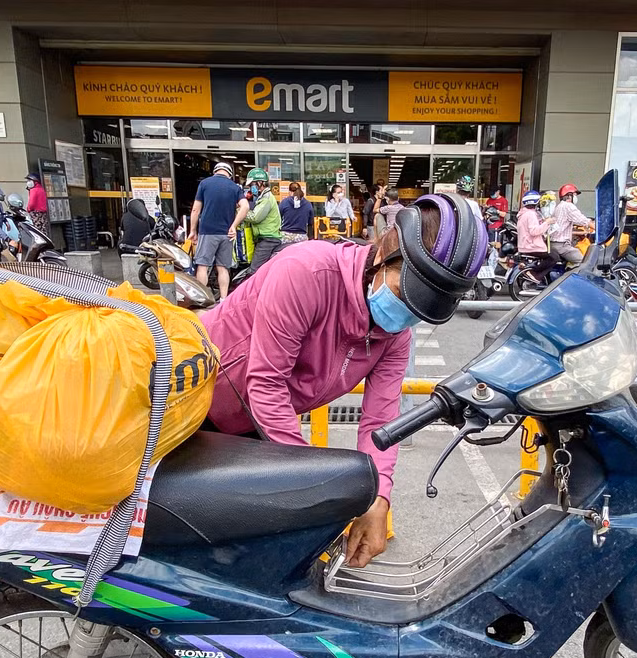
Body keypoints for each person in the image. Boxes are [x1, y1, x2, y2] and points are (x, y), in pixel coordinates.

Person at [199, 193, 486, 567]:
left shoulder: (394, 337)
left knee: (242, 556)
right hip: (189, 403)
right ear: (384, 250)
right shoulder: (308, 272)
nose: (403, 317)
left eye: (419, 311)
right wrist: (315, 489)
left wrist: (378, 498)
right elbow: (267, 384)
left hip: (249, 428)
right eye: (405, 294)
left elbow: (381, 423)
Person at [188, 161, 247, 299]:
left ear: (215, 171)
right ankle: (223, 300)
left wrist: (193, 230)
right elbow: (245, 207)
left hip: (207, 231)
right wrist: (234, 225)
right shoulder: (235, 187)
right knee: (223, 268)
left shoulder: (204, 184)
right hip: (227, 234)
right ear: (229, 174)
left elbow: (196, 210)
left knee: (202, 266)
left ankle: (201, 299)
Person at [244, 168, 283, 272]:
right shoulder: (262, 197)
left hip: (268, 240)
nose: (251, 187)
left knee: (254, 271)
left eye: (252, 184)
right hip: (264, 238)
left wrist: (241, 211)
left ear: (260, 183)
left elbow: (255, 217)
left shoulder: (266, 198)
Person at [548, 184, 593, 267]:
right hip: (561, 246)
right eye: (575, 195)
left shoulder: (559, 206)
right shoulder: (568, 206)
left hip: (554, 243)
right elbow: (583, 220)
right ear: (569, 196)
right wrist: (596, 227)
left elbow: (563, 225)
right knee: (584, 263)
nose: (576, 197)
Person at [516, 190, 555, 281]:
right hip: (532, 246)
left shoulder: (523, 213)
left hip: (524, 245)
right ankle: (535, 274)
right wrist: (547, 223)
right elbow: (534, 231)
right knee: (554, 257)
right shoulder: (531, 214)